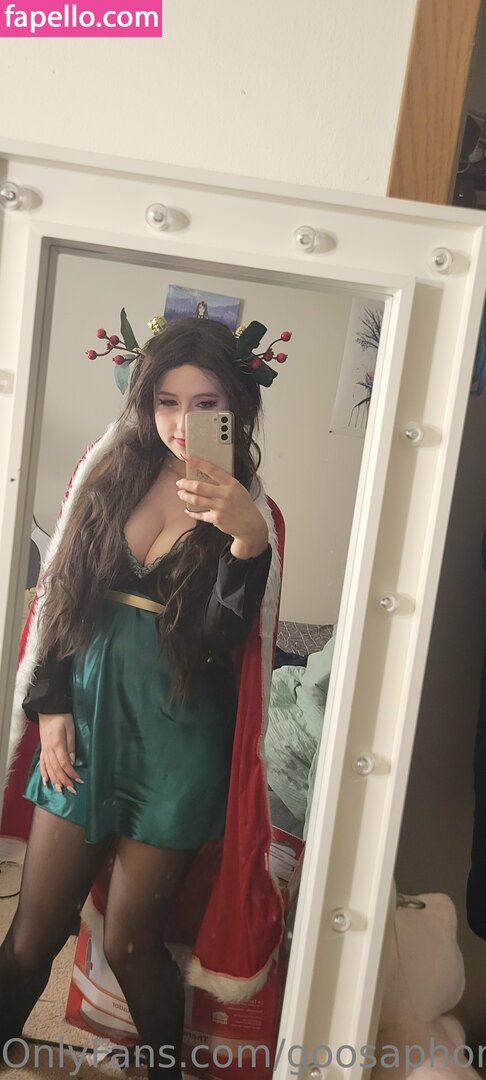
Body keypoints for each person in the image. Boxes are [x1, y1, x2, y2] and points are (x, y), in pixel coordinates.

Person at [0, 316, 286, 1079]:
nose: (181, 422)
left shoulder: (253, 511)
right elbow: (61, 596)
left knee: (133, 942)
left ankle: (165, 1072)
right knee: (32, 933)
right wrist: (50, 708)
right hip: (86, 727)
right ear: (144, 401)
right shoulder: (108, 475)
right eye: (166, 401)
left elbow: (224, 645)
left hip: (178, 744)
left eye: (204, 403)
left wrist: (246, 544)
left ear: (235, 407)